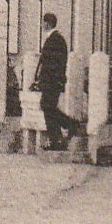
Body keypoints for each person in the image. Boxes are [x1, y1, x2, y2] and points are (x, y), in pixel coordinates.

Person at [31, 12, 82, 151]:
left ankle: (68, 126)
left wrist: (47, 79)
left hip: (52, 82)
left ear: (47, 24)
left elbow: (53, 64)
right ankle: (57, 138)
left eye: (43, 23)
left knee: (47, 107)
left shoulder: (55, 40)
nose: (42, 25)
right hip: (51, 81)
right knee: (48, 107)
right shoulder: (55, 39)